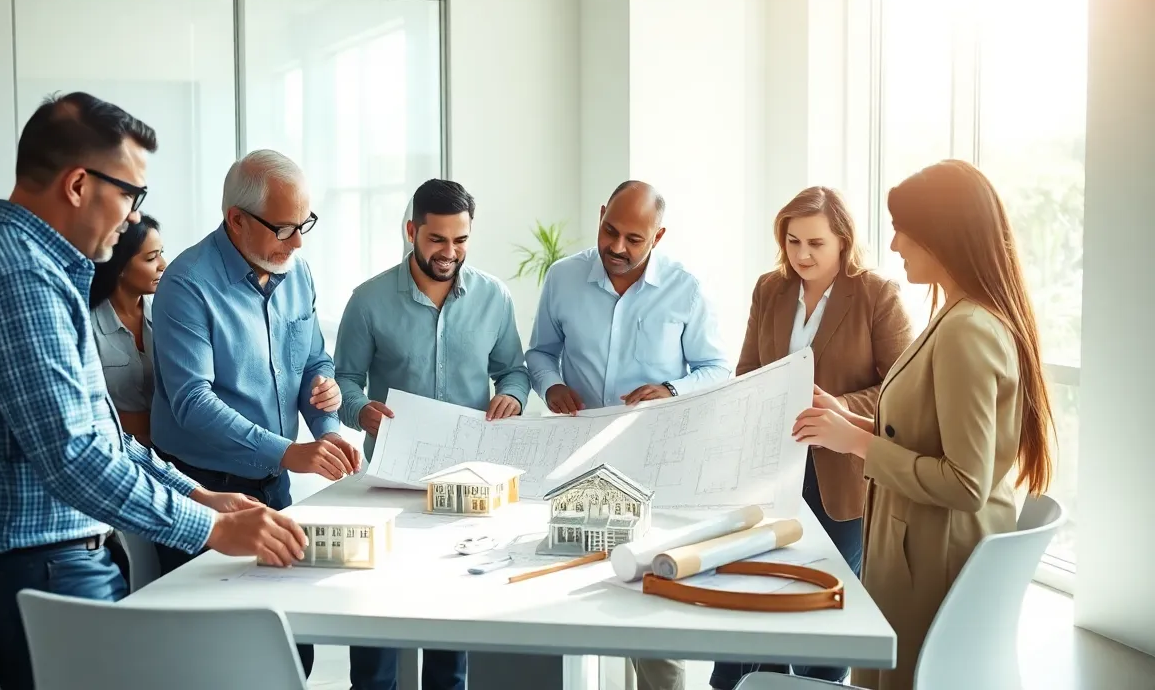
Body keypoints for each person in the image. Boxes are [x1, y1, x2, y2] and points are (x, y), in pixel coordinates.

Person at [0, 92, 306, 690]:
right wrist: (210, 529)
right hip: (35, 570)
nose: (132, 218)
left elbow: (104, 435)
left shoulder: (34, 269)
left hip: (41, 562)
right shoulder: (18, 281)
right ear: (76, 185)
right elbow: (76, 459)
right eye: (130, 194)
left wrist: (198, 494)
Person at [793, 160, 1055, 690]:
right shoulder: (958, 314)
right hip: (918, 551)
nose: (893, 245)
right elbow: (928, 431)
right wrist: (851, 419)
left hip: (931, 560)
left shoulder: (968, 330)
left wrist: (857, 442)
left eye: (902, 230)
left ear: (941, 236)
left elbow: (965, 482)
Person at [149, 148, 362, 677]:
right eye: (284, 228)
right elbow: (192, 402)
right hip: (201, 488)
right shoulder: (186, 284)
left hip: (273, 487)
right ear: (236, 220)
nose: (298, 242)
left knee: (290, 649)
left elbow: (314, 359)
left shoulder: (298, 271)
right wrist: (290, 450)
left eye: (304, 224)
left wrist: (328, 424)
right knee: (214, 658)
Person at [525, 179, 730, 690]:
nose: (617, 247)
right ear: (600, 217)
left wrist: (671, 389)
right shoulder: (563, 277)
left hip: (653, 469)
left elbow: (716, 367)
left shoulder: (687, 289)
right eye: (610, 231)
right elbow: (539, 352)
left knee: (651, 608)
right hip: (577, 462)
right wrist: (551, 387)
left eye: (634, 239)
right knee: (566, 593)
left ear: (658, 237)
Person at [710, 187, 914, 690]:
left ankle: (821, 684)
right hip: (771, 470)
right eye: (793, 240)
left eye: (816, 244)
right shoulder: (770, 289)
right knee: (757, 587)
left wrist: (843, 409)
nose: (802, 255)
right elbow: (747, 371)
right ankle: (753, 682)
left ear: (843, 241)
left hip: (841, 473)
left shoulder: (877, 295)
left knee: (827, 595)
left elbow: (900, 390)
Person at [335, 178, 530, 690]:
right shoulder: (369, 300)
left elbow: (514, 370)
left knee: (451, 622)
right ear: (411, 232)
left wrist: (512, 394)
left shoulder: (494, 298)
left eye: (460, 241)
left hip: (467, 484)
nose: (449, 253)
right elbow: (344, 379)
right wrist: (361, 411)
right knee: (376, 618)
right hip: (389, 483)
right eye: (436, 240)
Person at [89, 213, 166, 448]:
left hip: (173, 454)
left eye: (161, 253)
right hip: (116, 452)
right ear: (120, 266)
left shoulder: (169, 314)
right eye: (152, 258)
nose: (163, 265)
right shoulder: (86, 324)